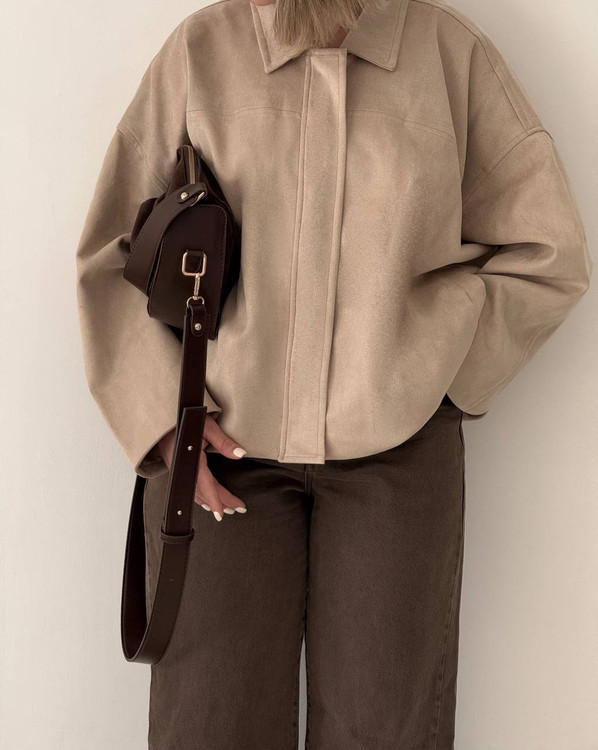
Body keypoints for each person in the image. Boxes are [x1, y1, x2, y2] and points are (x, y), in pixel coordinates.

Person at [74, 0, 592, 747]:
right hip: (218, 455)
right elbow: (111, 254)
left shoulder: (449, 55)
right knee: (210, 726)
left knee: (385, 731)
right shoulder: (203, 49)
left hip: (398, 461)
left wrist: (431, 374)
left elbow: (549, 253)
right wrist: (158, 419)